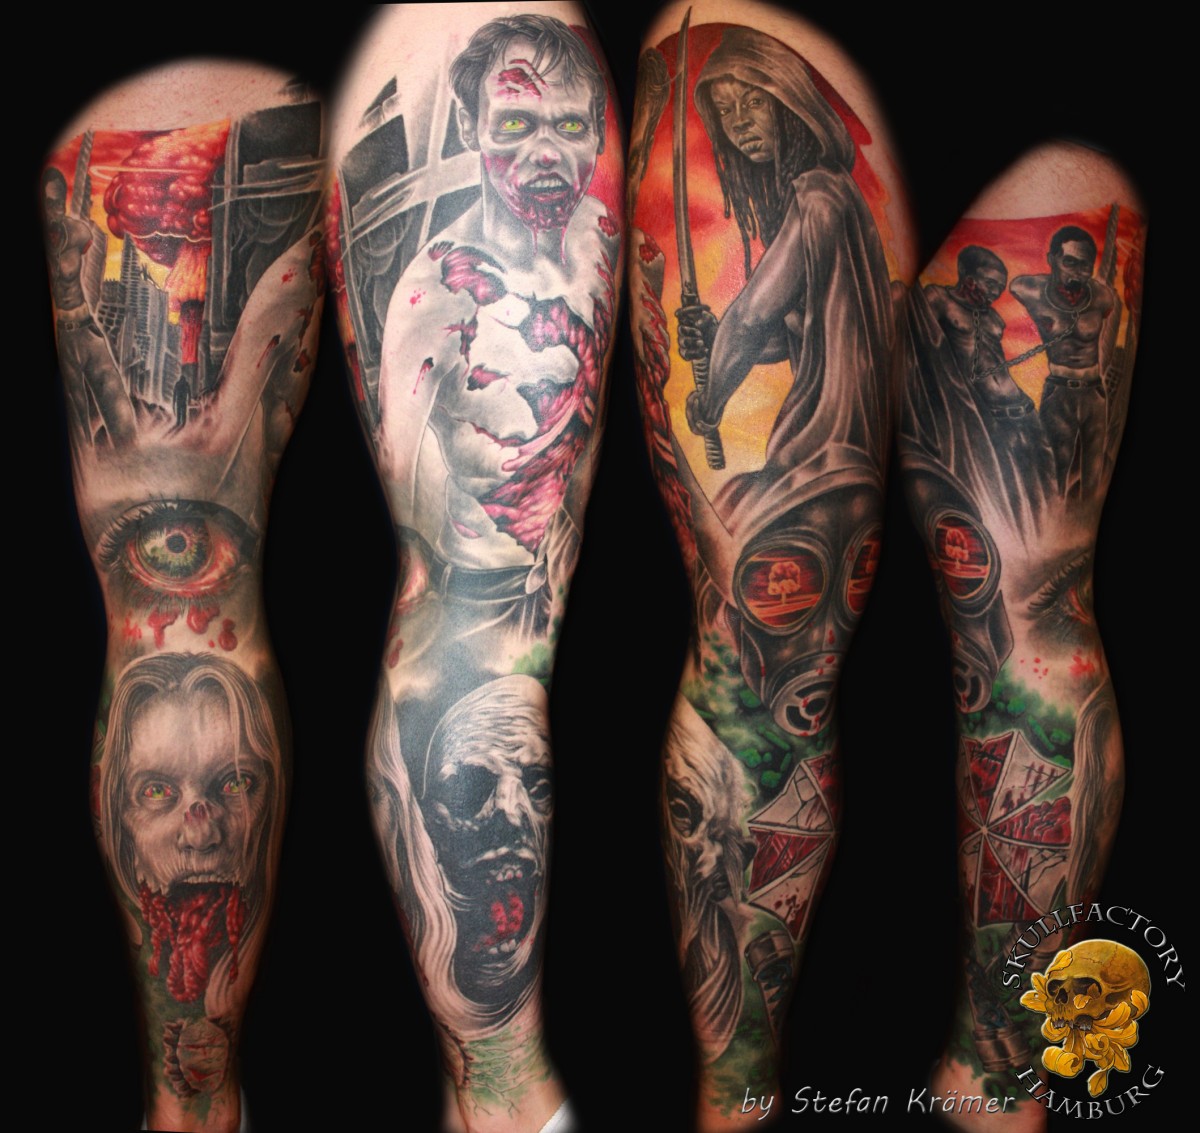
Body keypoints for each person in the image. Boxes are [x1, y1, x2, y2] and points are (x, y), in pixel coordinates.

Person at [373, 12, 619, 687]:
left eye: (569, 127)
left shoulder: (604, 236)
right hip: (484, 628)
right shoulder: (437, 303)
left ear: (598, 133)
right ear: (469, 126)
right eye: (515, 124)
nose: (547, 153)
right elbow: (418, 561)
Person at [925, 244, 1055, 517]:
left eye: (1000, 287)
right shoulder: (939, 298)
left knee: (1044, 478)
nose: (995, 291)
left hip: (1022, 408)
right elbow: (921, 342)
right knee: (1006, 493)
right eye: (990, 282)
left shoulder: (993, 316)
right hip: (987, 413)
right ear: (967, 274)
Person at [1011, 226, 1116, 501]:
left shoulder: (1100, 296)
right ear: (1052, 259)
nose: (1078, 272)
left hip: (1094, 392)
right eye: (1069, 262)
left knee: (1094, 472)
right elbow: (1016, 285)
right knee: (1055, 469)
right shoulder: (1034, 291)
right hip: (1059, 391)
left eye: (1085, 266)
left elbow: (1108, 307)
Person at [42, 165, 137, 450]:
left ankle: (130, 456)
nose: (54, 210)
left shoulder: (78, 232)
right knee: (78, 423)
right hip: (65, 336)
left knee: (118, 405)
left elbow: (95, 270)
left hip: (86, 326)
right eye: (48, 203)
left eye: (58, 202)